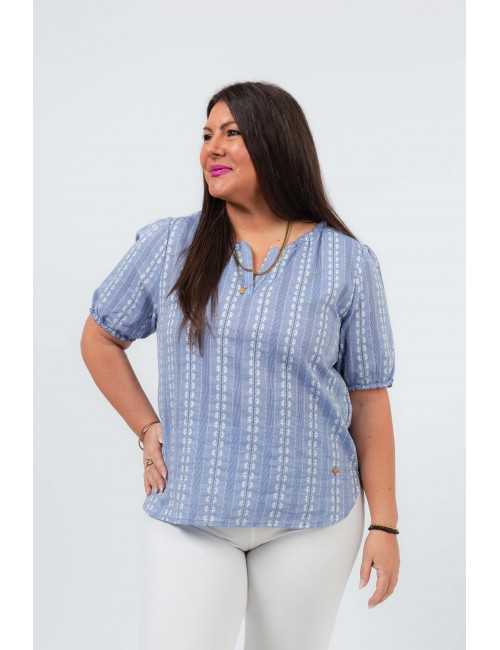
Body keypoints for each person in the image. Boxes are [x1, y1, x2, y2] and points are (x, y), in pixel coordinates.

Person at [81, 81, 400, 650]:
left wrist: (385, 523)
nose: (213, 148)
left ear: (278, 143)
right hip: (192, 510)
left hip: (312, 517)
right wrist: (147, 429)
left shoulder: (347, 263)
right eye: (207, 135)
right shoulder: (171, 245)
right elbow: (100, 338)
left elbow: (368, 397)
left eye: (232, 133)